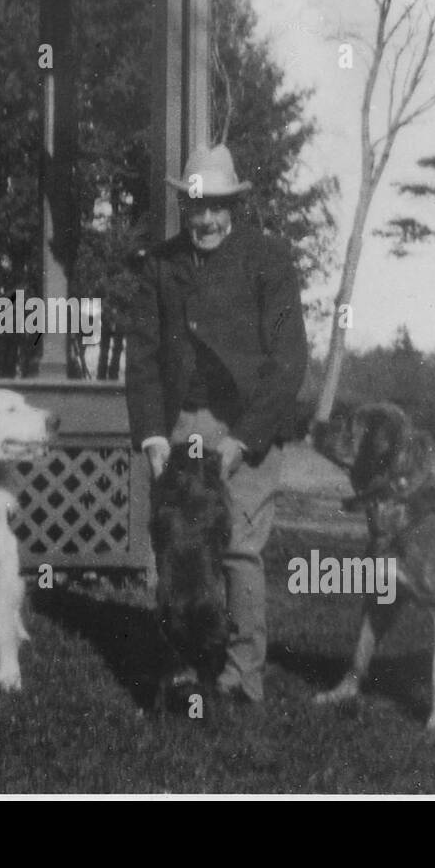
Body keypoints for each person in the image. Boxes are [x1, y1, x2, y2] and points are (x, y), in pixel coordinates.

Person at [125, 144, 308, 703]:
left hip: (246, 425)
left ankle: (239, 677)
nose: (204, 219)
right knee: (176, 551)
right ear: (186, 206)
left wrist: (244, 440)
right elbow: (144, 355)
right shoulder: (160, 263)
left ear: (234, 206)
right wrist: (154, 435)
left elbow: (289, 362)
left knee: (239, 550)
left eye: (216, 207)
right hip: (180, 426)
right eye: (195, 207)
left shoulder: (269, 260)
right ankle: (181, 664)